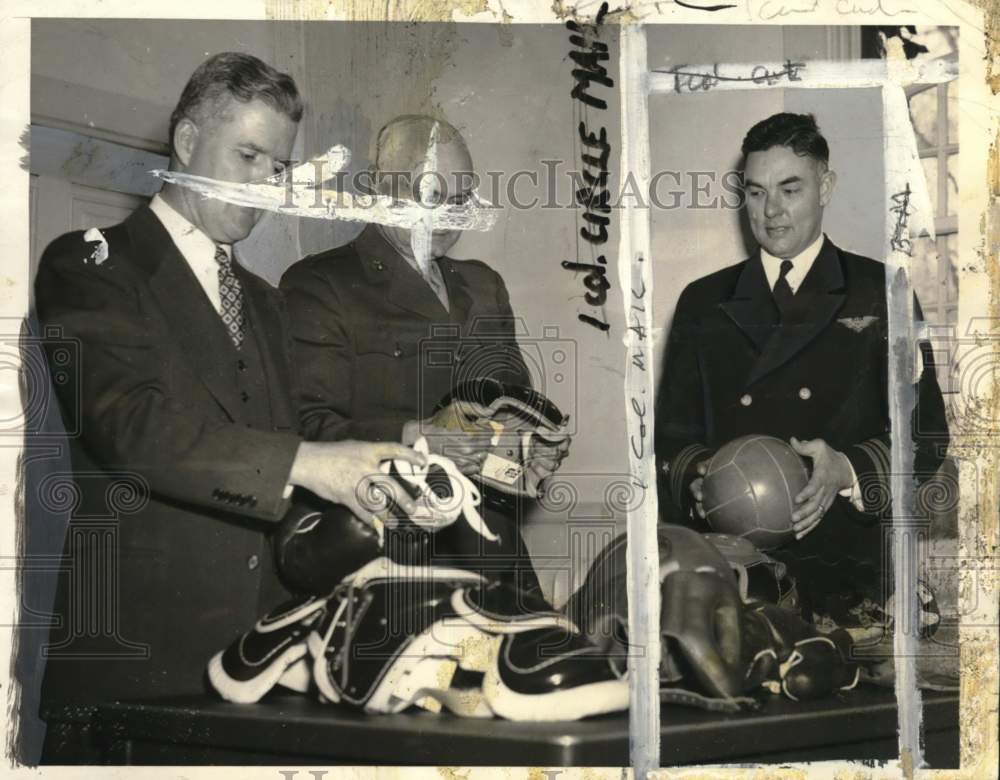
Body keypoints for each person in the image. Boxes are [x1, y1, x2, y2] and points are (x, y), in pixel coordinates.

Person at [34, 53, 422, 742]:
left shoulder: (266, 303)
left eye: (277, 167)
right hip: (136, 665)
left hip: (254, 669)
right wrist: (307, 464)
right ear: (186, 142)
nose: (264, 184)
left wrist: (398, 453)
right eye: (247, 156)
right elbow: (132, 426)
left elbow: (289, 431)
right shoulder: (92, 263)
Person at [654, 112, 949, 622]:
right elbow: (671, 437)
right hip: (734, 569)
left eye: (789, 189)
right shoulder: (703, 302)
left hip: (852, 567)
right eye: (755, 192)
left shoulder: (882, 292)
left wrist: (846, 469)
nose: (771, 211)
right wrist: (700, 479)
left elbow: (928, 432)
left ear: (825, 186)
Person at [281, 115, 568, 594]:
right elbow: (305, 429)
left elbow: (505, 423)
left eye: (460, 200)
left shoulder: (483, 284)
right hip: (384, 558)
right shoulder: (320, 285)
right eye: (429, 196)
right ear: (376, 185)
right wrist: (419, 441)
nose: (447, 217)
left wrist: (531, 453)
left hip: (493, 554)